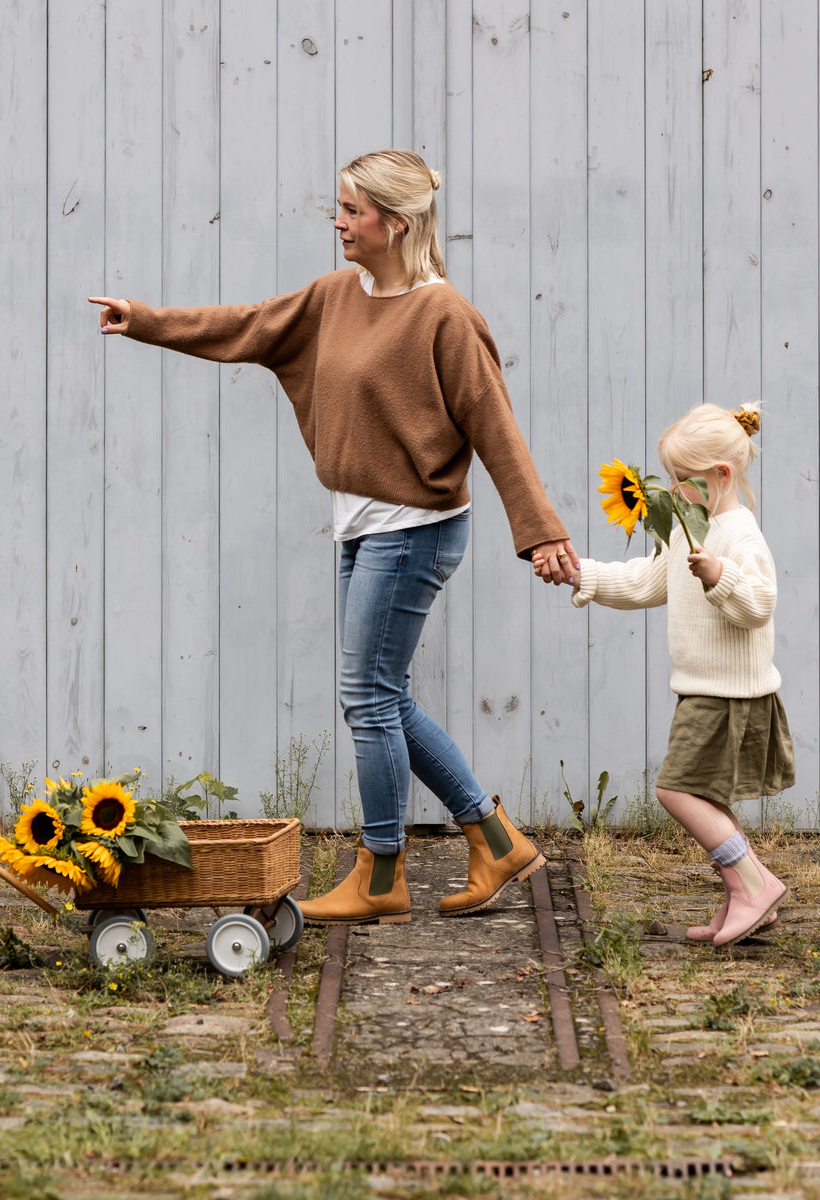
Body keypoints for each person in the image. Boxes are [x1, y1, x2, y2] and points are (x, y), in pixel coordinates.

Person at [89, 148, 577, 925]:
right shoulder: (335, 297)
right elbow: (247, 327)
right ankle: (494, 837)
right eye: (340, 208)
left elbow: (496, 428)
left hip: (414, 530)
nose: (339, 221)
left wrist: (540, 531)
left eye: (352, 210)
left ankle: (382, 875)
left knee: (369, 698)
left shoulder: (443, 315)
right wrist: (146, 321)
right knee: (378, 697)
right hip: (364, 523)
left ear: (398, 222)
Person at [535, 404, 792, 946]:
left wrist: (720, 577)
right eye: (670, 477)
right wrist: (584, 574)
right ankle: (751, 893)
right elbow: (646, 583)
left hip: (729, 694)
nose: (671, 489)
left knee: (676, 790)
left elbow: (760, 605)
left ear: (722, 475)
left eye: (683, 479)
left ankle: (752, 885)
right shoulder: (686, 529)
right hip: (703, 688)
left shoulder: (739, 536)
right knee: (707, 798)